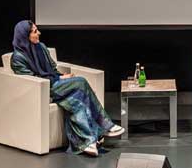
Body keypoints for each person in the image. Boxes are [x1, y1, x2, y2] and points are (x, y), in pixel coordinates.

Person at [10, 21, 124, 156]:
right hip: (42, 90)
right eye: (35, 31)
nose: (39, 33)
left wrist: (61, 76)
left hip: (55, 83)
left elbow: (52, 69)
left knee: (77, 102)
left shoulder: (41, 47)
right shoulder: (17, 58)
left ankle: (88, 142)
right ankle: (105, 126)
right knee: (81, 82)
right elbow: (31, 81)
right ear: (25, 36)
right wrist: (59, 79)